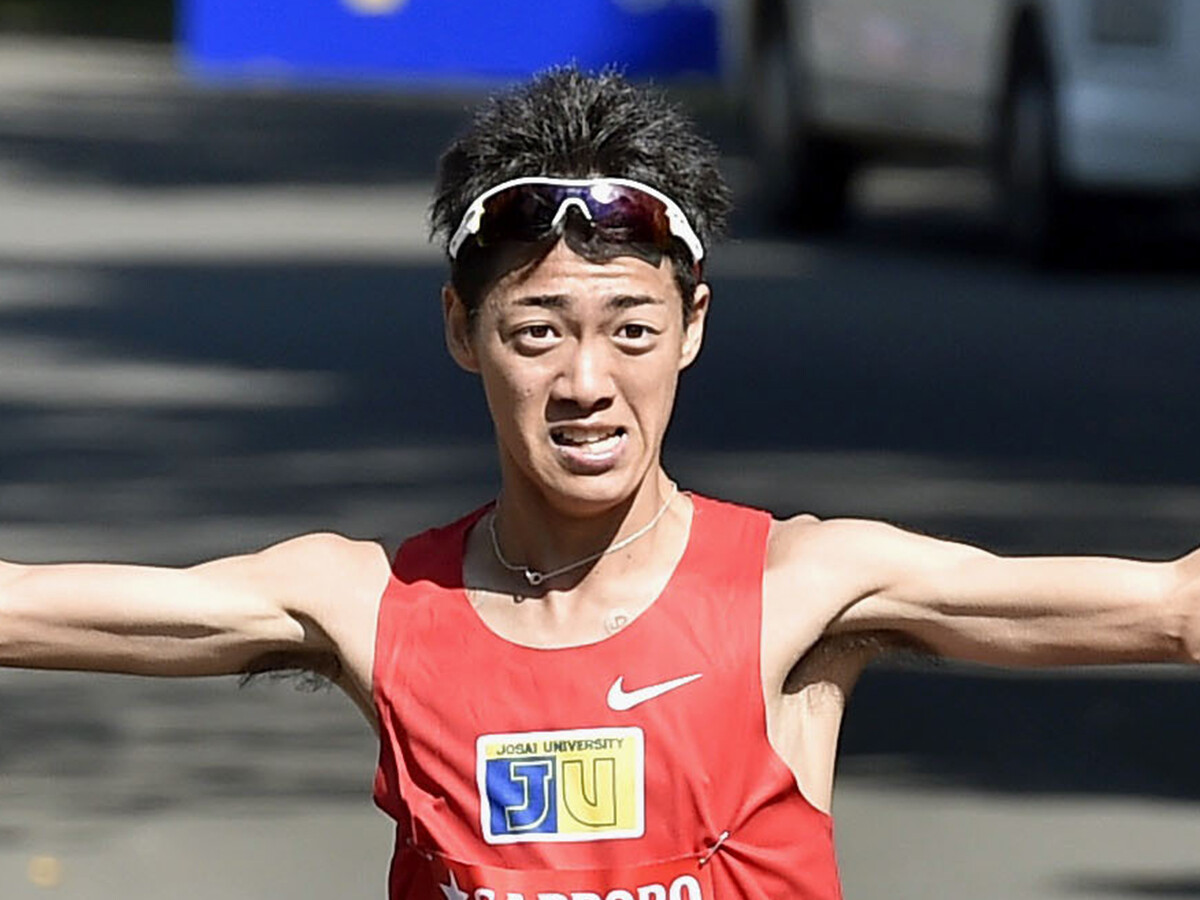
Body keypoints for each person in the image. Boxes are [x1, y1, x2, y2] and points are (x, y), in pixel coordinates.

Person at [0, 67, 1197, 900]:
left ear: (693, 330)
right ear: (462, 332)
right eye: (537, 334)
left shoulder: (806, 585)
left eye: (631, 328)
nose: (585, 381)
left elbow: (1171, 610)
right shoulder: (371, 606)